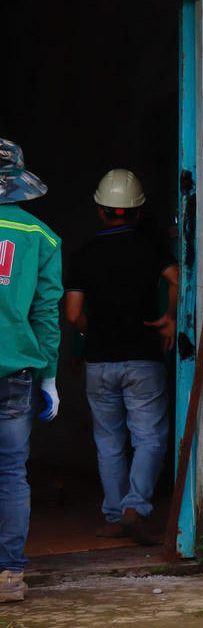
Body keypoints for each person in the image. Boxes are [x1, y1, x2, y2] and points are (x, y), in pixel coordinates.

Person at [64, 169, 178, 547]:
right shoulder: (151, 250)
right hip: (143, 360)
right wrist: (169, 318)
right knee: (149, 437)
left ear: (100, 210)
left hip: (99, 362)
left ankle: (114, 517)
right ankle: (136, 507)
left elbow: (73, 314)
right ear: (138, 212)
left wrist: (86, 333)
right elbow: (177, 279)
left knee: (109, 441)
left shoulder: (83, 255)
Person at [0, 139, 62, 603]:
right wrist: (50, 377)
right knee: (10, 474)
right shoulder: (41, 237)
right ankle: (8, 577)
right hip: (16, 372)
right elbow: (46, 314)